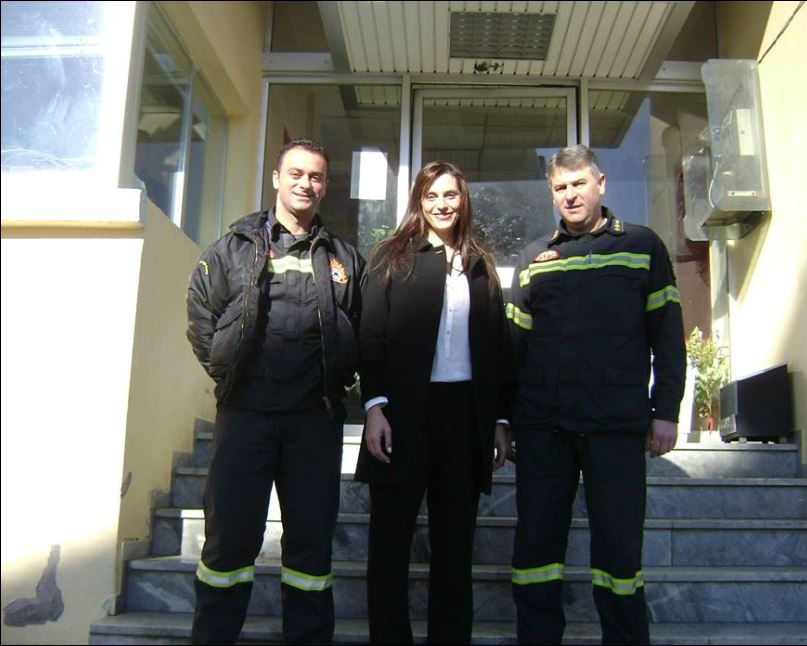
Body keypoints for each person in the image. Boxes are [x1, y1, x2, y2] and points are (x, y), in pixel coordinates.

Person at [185, 138, 365, 644]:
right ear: (276, 179)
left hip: (314, 422)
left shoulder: (344, 258)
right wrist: (227, 376)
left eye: (316, 176)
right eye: (297, 173)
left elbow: (362, 329)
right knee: (228, 546)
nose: (306, 184)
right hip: (246, 418)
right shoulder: (232, 249)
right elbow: (201, 316)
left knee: (311, 551)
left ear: (325, 186)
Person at [507, 144, 686, 645]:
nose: (570, 195)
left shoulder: (643, 246)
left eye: (579, 184)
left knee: (619, 554)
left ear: (601, 184)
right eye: (560, 188)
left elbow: (667, 336)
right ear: (552, 194)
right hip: (545, 427)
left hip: (616, 424)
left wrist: (666, 410)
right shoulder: (534, 258)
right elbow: (513, 347)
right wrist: (506, 419)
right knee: (536, 550)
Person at [355, 161, 514, 644]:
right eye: (431, 195)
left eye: (450, 195)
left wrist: (499, 419)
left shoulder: (481, 263)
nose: (442, 204)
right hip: (403, 416)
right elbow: (371, 337)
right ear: (418, 202)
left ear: (463, 200)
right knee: (389, 546)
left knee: (454, 550)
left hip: (463, 417)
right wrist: (374, 408)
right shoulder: (391, 257)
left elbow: (497, 346)